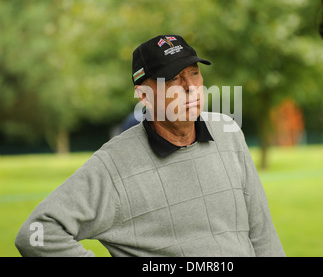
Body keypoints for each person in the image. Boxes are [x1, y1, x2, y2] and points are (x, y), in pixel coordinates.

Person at [15, 34, 285, 257]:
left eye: (194, 73)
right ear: (144, 95)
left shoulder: (228, 132)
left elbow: (261, 232)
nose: (191, 87)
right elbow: (37, 235)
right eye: (173, 79)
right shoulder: (114, 164)